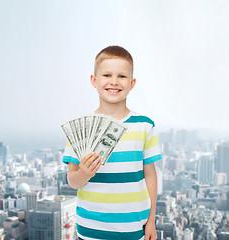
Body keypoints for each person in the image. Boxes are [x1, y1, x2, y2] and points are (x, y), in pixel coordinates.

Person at [62, 46, 162, 240]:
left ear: (132, 83)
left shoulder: (144, 126)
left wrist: (151, 222)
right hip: (90, 228)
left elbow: (150, 175)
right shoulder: (81, 129)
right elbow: (72, 181)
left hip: (133, 227)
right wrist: (84, 173)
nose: (114, 81)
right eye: (107, 75)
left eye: (122, 76)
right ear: (94, 80)